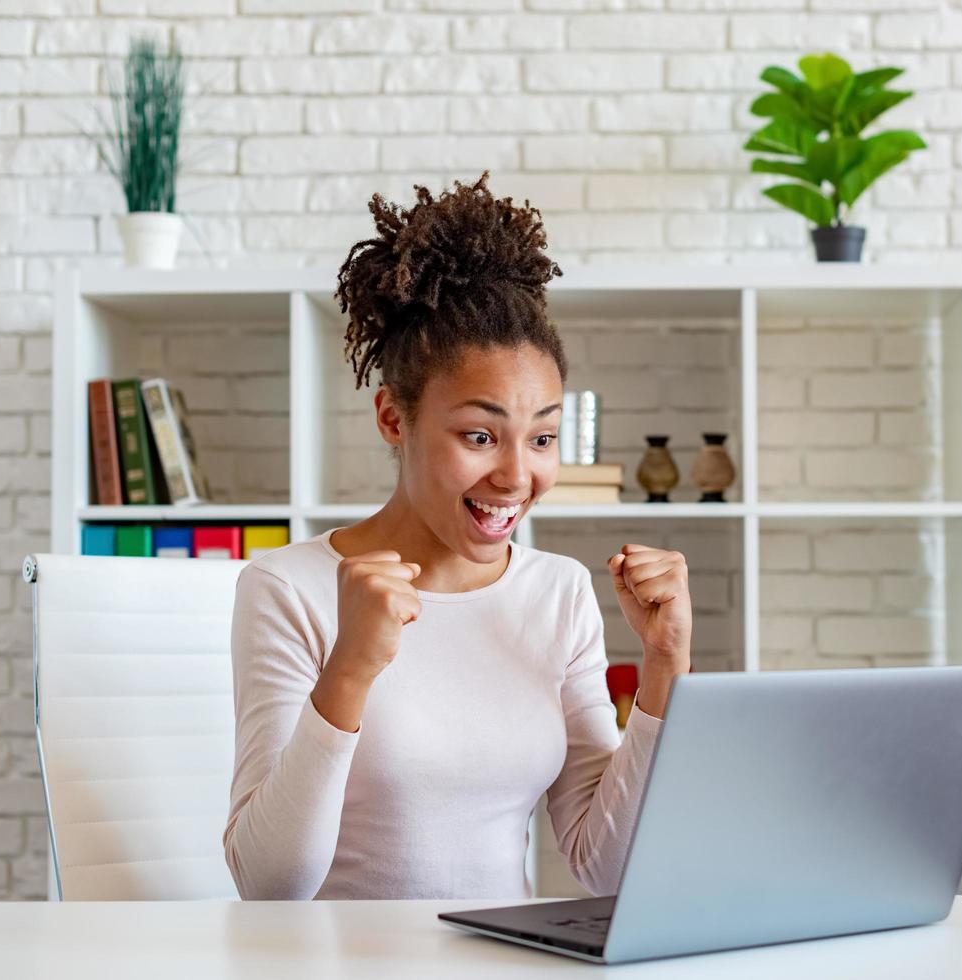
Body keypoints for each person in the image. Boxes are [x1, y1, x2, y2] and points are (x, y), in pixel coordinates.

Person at [223, 171, 693, 901]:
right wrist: (349, 668)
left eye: (541, 439)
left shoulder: (557, 592)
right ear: (392, 419)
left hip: (502, 960)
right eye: (479, 435)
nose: (515, 476)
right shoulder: (288, 588)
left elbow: (606, 866)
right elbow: (269, 884)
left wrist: (665, 667)